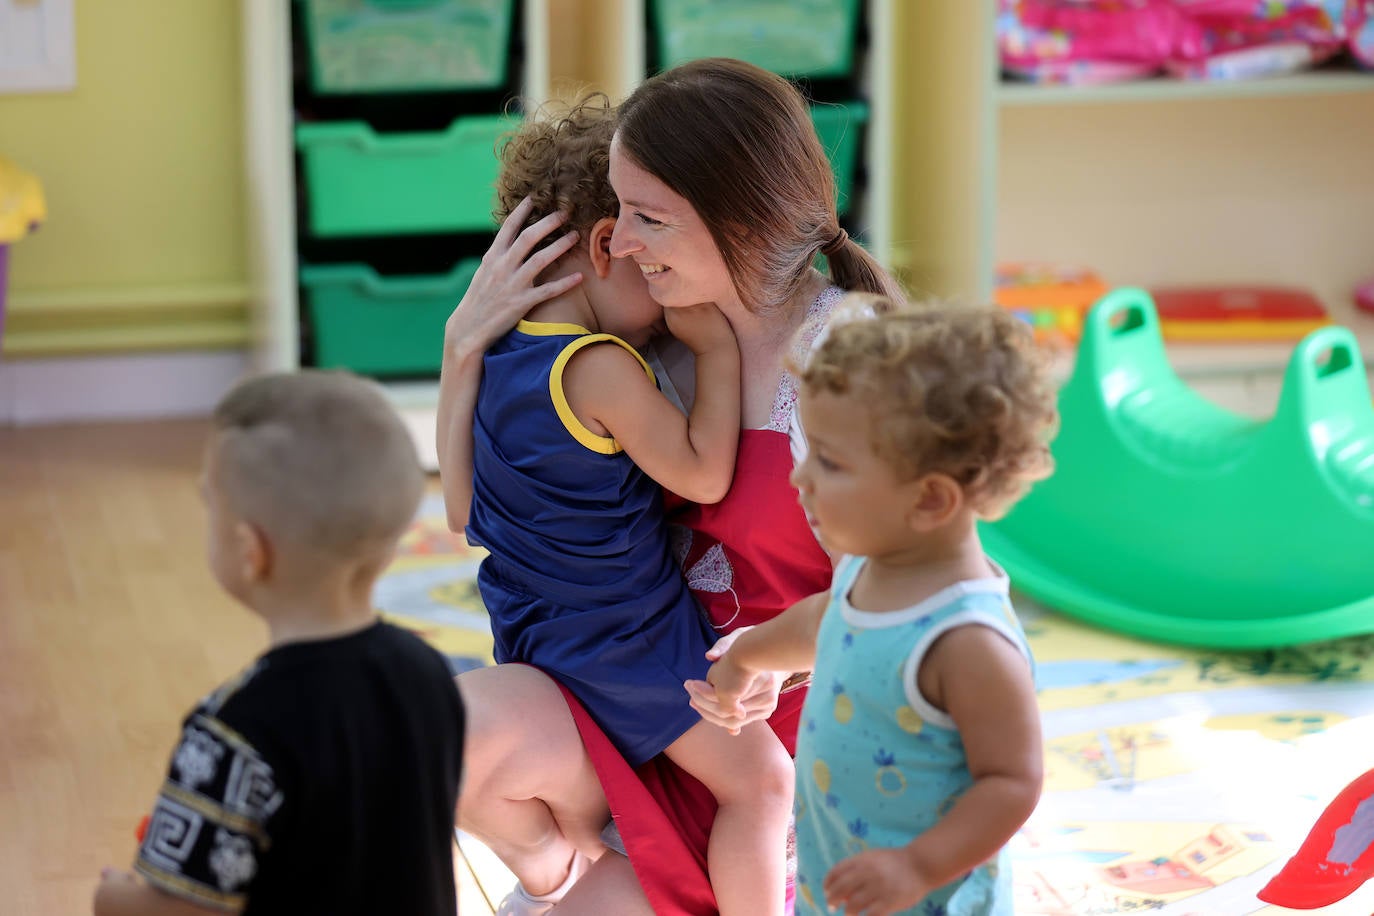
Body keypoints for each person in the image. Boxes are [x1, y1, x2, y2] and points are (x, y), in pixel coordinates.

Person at [437, 57, 906, 915]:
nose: (626, 244)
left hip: (791, 758)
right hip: (663, 715)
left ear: (741, 219)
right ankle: (584, 862)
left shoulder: (847, 355)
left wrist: (764, 661)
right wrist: (463, 346)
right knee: (440, 727)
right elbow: (481, 512)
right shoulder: (640, 351)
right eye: (618, 218)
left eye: (648, 218)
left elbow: (908, 600)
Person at [465, 94, 795, 916]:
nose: (663, 306)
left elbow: (459, 507)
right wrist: (715, 351)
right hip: (630, 637)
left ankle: (561, 870)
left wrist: (453, 347)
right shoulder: (601, 366)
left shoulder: (501, 356)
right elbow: (703, 477)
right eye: (650, 272)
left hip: (541, 635)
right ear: (607, 243)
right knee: (762, 785)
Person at [702, 297, 1056, 916]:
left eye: (830, 463)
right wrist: (751, 655)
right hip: (839, 877)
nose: (799, 479)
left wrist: (917, 867)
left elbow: (1012, 782)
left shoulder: (966, 639)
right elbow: (826, 621)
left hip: (922, 897)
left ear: (929, 501)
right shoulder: (871, 567)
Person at [94, 371, 466, 916]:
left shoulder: (232, 729)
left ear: (251, 551)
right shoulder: (431, 673)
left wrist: (115, 900)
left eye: (209, 504)